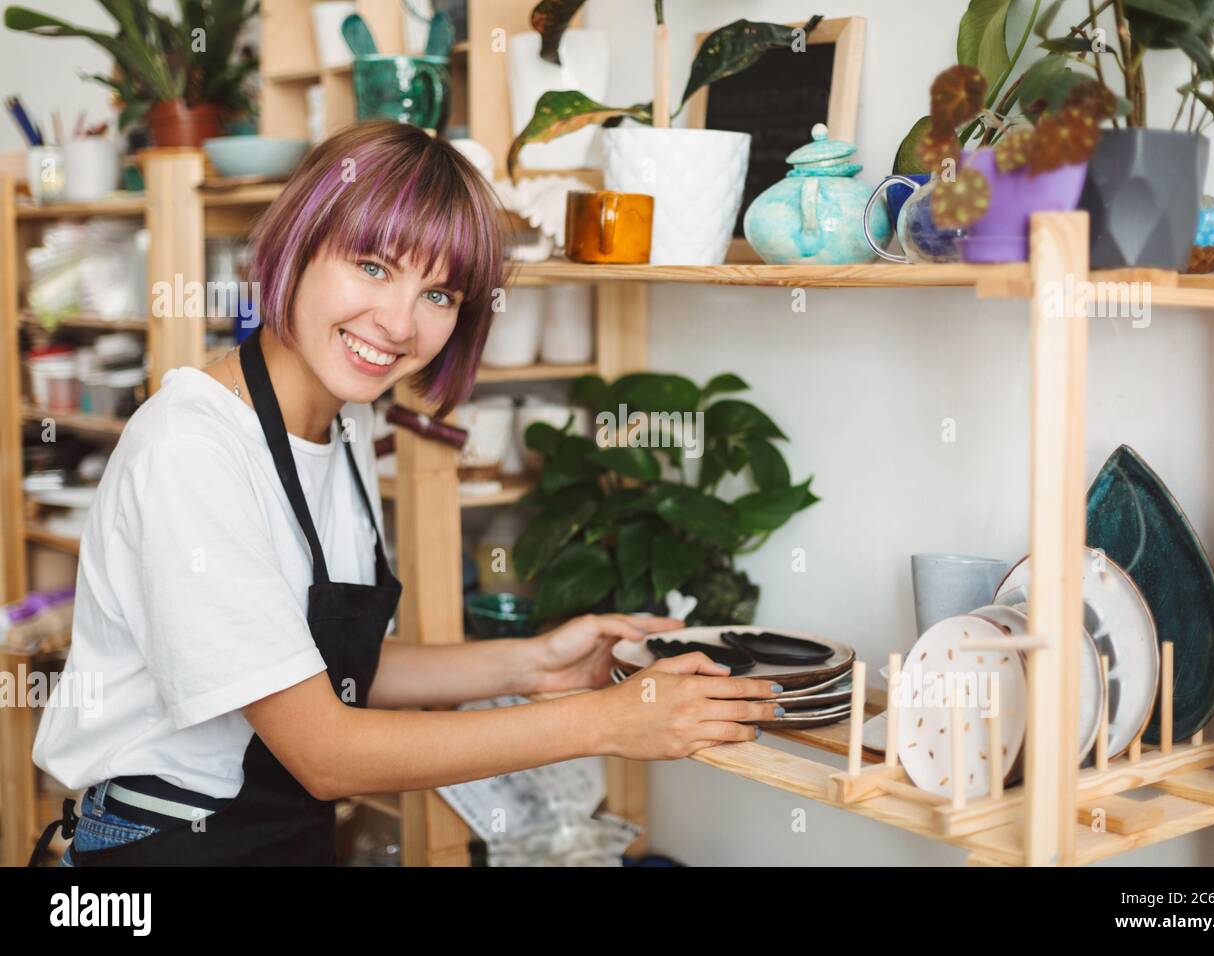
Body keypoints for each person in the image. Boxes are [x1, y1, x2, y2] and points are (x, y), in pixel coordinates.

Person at [29, 120, 780, 866]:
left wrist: (531, 665)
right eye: (373, 266)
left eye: (440, 294)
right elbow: (324, 750)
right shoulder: (191, 450)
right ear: (298, 240)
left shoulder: (341, 423)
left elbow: (325, 663)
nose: (398, 324)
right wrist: (607, 723)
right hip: (161, 849)